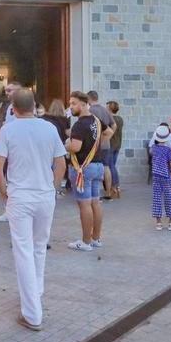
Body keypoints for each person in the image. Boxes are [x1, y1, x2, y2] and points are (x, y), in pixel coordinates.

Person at [0, 88, 66, 333]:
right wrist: (53, 188)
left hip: (20, 195)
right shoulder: (49, 128)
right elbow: (60, 163)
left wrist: (4, 191)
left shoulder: (8, 130)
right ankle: (36, 292)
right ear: (34, 105)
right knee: (38, 247)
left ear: (13, 108)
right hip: (44, 195)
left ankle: (32, 313)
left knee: (23, 250)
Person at [65, 91, 106, 251]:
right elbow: (109, 131)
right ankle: (96, 238)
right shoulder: (97, 121)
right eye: (70, 104)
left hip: (83, 168)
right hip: (97, 165)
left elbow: (75, 147)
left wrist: (65, 145)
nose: (71, 107)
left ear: (83, 104)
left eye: (73, 103)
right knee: (95, 202)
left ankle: (85, 242)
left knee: (84, 205)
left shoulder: (80, 124)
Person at [86, 91, 116, 200]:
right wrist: (108, 137)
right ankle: (108, 193)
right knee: (106, 167)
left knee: (93, 167)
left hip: (94, 144)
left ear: (89, 98)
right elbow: (114, 125)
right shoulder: (105, 110)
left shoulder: (90, 110)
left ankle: (94, 193)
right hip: (105, 144)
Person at [149, 125, 171, 230]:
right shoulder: (167, 150)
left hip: (156, 175)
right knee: (169, 198)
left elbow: (155, 155)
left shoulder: (153, 149)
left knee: (157, 198)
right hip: (166, 176)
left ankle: (158, 222)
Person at [106, 100, 124, 200]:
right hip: (117, 145)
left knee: (110, 166)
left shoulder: (110, 119)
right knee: (113, 165)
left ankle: (115, 187)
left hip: (110, 145)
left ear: (109, 108)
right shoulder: (120, 119)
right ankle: (116, 187)